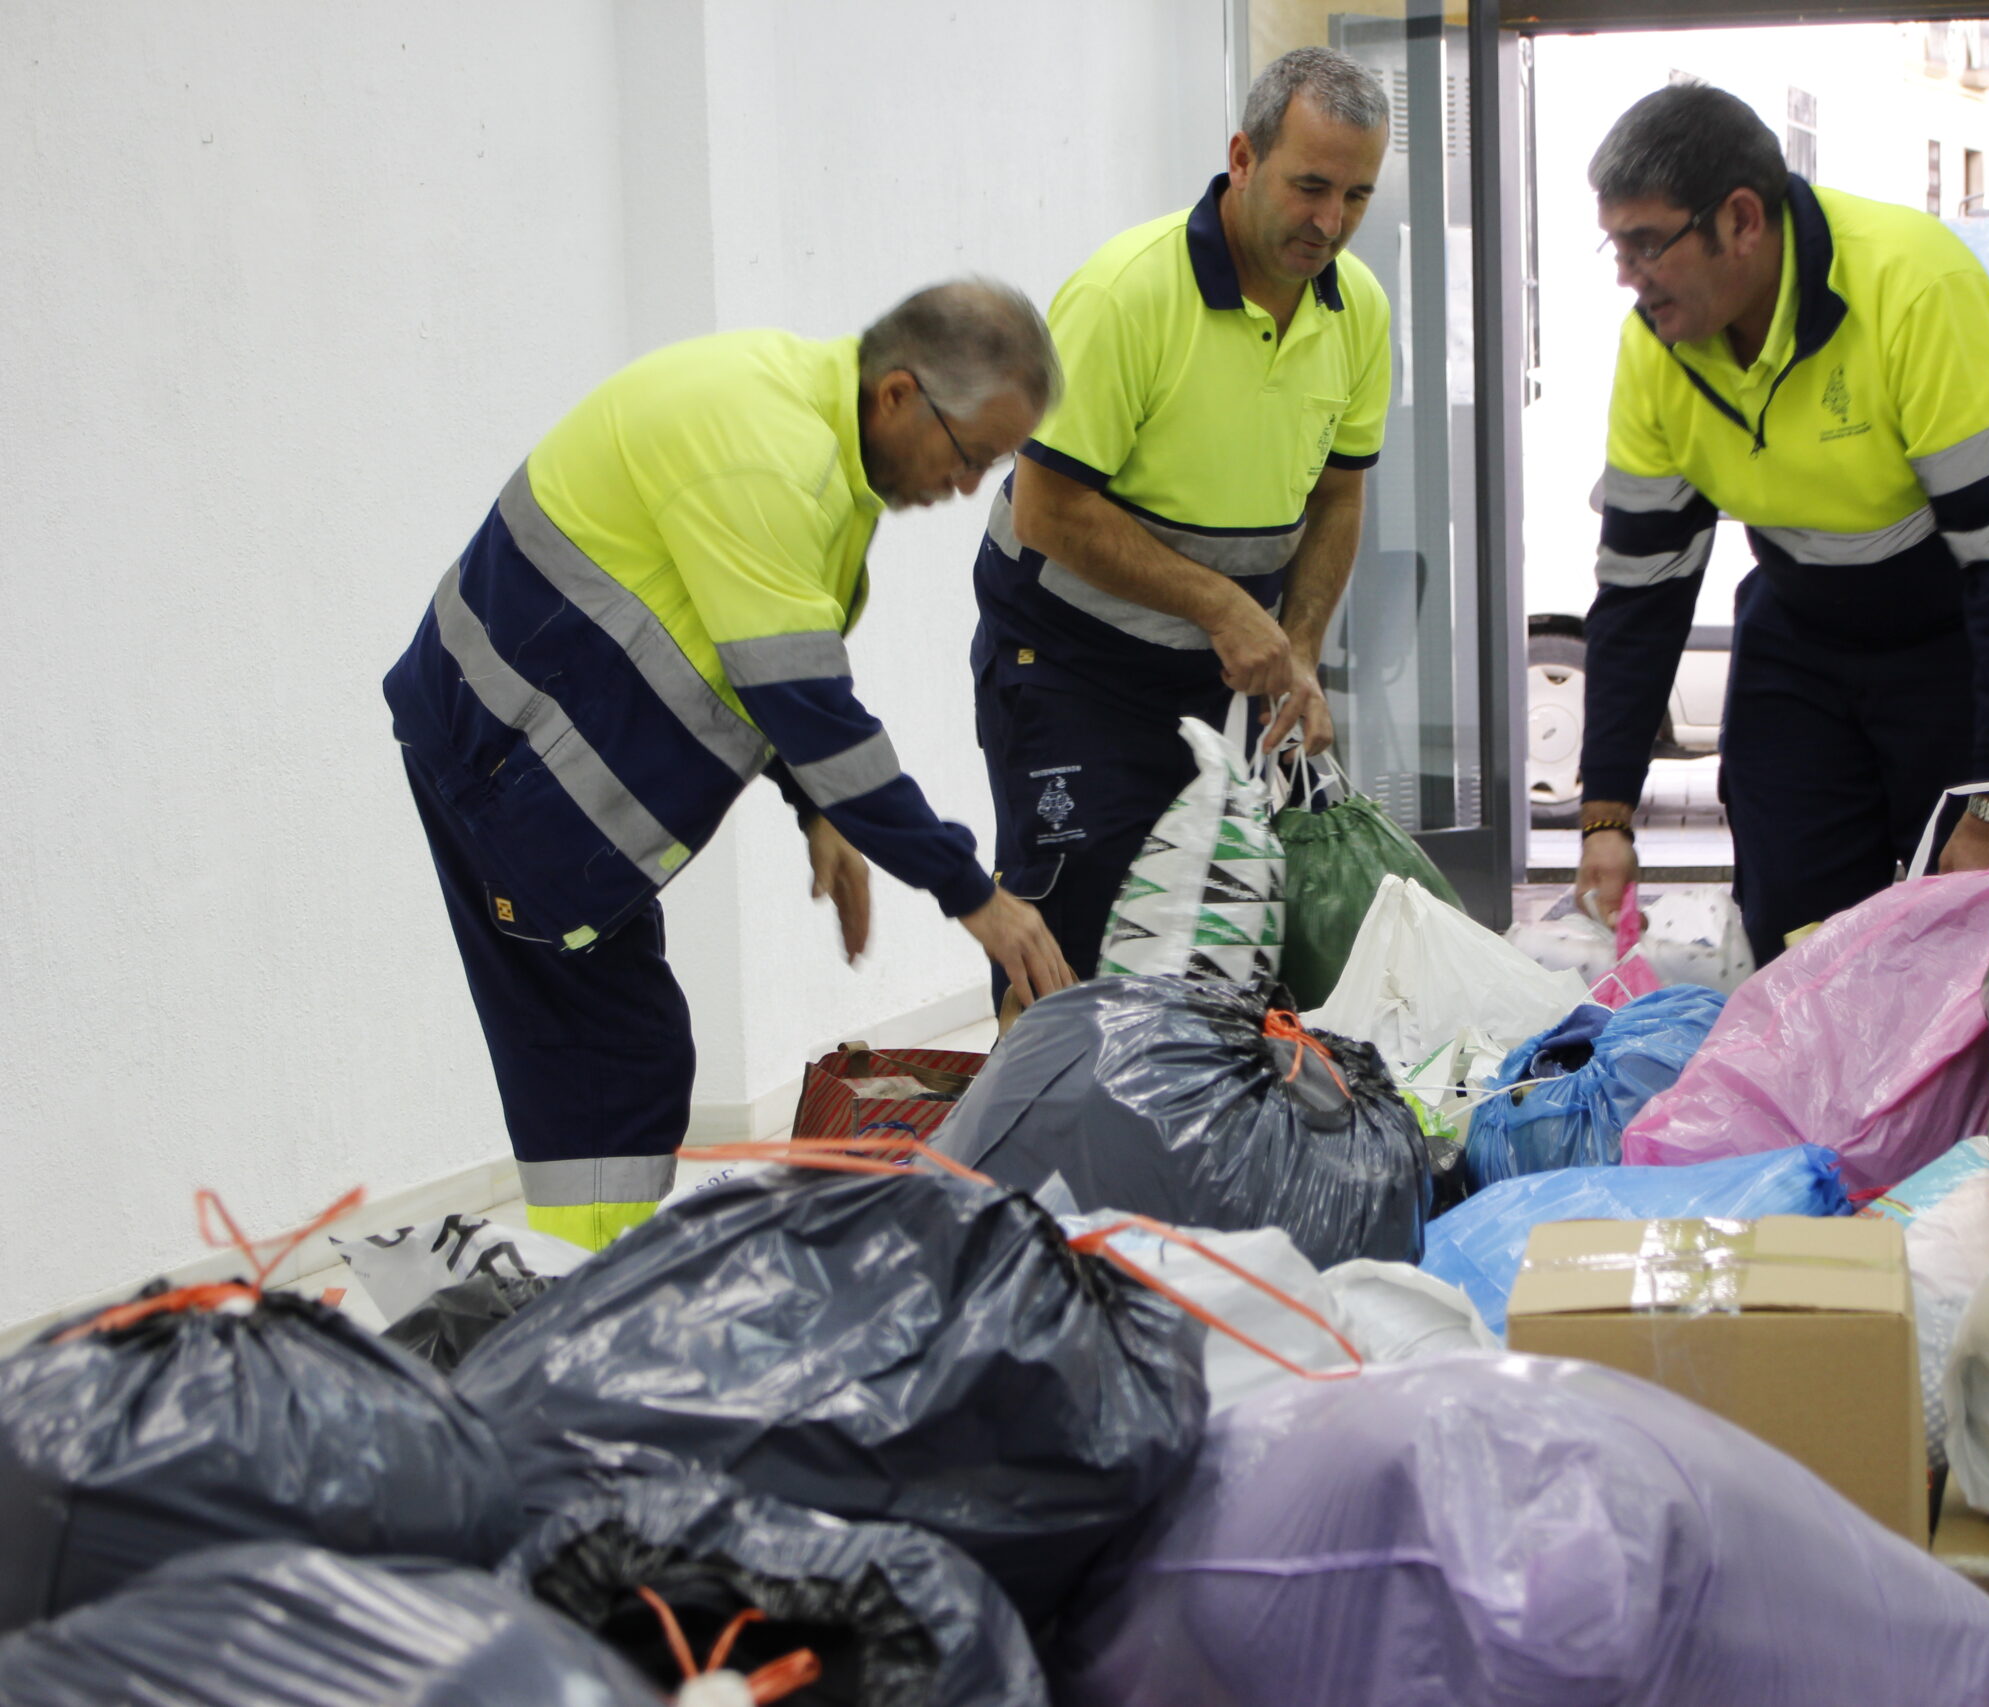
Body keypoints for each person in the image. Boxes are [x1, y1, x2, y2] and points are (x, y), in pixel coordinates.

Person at [384, 282, 1077, 1249]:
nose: (969, 488)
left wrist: (817, 813)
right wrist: (977, 898)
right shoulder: (769, 457)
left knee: (623, 1058)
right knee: (604, 1072)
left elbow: (768, 665)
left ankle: (589, 1294)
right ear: (899, 396)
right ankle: (585, 1315)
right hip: (498, 763)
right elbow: (810, 708)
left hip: (522, 760)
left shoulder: (817, 443)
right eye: (971, 456)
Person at [1571, 85, 1989, 965]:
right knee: (1794, 914)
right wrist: (1607, 814)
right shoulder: (1657, 346)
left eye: (1647, 243)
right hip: (1806, 614)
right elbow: (1641, 590)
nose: (1628, 274)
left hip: (1972, 613)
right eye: (1616, 245)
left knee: (1968, 921)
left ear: (1741, 219)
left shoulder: (1914, 287)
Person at [970, 47, 1393, 1016]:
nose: (1330, 223)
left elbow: (1337, 497)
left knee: (1223, 953)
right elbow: (1047, 509)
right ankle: (1036, 1154)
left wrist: (1300, 653)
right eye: (1310, 186)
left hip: (1217, 669)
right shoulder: (1127, 295)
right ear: (1242, 158)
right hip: (1071, 660)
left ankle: (1179, 1156)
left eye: (1357, 196)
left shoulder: (1357, 310)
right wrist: (1221, 605)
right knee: (1072, 955)